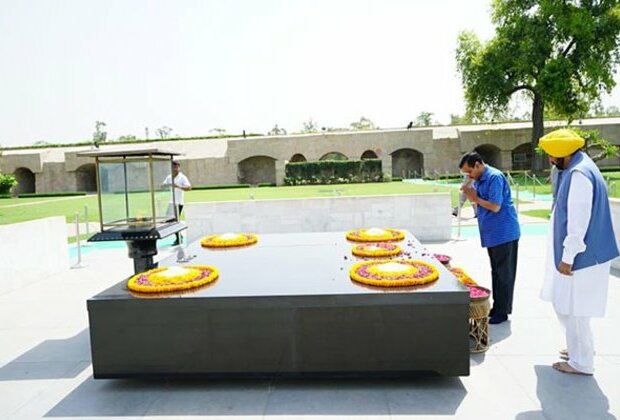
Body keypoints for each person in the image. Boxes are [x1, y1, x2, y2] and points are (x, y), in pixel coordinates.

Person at [538, 128, 619, 376]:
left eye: (553, 156)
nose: (550, 161)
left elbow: (578, 221)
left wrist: (567, 257)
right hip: (575, 256)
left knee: (576, 309)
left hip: (581, 257)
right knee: (564, 304)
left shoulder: (579, 175)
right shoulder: (578, 166)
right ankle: (578, 349)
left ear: (564, 155)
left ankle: (581, 362)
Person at [459, 152, 521, 324]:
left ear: (478, 164)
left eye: (469, 171)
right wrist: (468, 191)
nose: (468, 176)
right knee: (497, 271)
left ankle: (503, 311)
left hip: (504, 232)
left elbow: (495, 206)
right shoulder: (478, 179)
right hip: (492, 234)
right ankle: (497, 306)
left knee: (505, 273)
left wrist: (474, 198)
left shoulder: (494, 177)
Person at [163, 160, 192, 246]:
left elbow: (189, 187)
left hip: (178, 203)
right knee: (168, 221)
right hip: (171, 202)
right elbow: (163, 185)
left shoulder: (182, 177)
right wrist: (166, 185)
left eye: (176, 167)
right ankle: (179, 237)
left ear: (179, 167)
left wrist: (178, 186)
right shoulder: (169, 177)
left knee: (174, 220)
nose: (174, 169)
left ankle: (179, 238)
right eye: (173, 167)